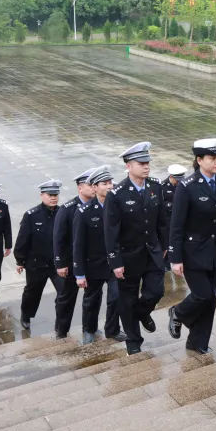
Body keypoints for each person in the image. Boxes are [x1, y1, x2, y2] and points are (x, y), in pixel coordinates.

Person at [167, 139, 216, 354]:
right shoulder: (187, 187)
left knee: (211, 300)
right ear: (199, 160)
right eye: (212, 158)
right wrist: (175, 258)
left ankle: (197, 342)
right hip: (192, 251)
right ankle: (178, 312)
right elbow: (177, 225)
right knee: (202, 295)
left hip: (215, 249)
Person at [105, 142, 169, 355]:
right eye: (141, 163)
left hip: (152, 252)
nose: (146, 167)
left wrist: (164, 245)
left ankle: (142, 313)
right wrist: (115, 261)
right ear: (128, 166)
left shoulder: (154, 187)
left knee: (156, 291)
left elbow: (162, 220)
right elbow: (111, 231)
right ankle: (133, 340)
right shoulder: (117, 194)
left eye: (147, 162)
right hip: (128, 256)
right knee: (127, 299)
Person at [72, 166, 117, 344]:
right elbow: (78, 244)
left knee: (116, 297)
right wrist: (79, 273)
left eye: (110, 183)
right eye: (104, 184)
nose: (109, 187)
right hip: (93, 264)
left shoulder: (117, 206)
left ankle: (112, 330)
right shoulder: (84, 212)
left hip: (115, 263)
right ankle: (89, 330)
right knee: (92, 299)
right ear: (95, 187)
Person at [14, 179, 62, 330]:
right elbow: (23, 239)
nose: (53, 198)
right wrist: (20, 260)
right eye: (50, 195)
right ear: (42, 196)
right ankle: (26, 314)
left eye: (56, 195)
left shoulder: (63, 213)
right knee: (32, 293)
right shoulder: (31, 215)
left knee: (64, 293)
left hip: (56, 264)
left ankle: (61, 320)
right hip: (36, 263)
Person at [53, 168, 96, 339]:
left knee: (93, 297)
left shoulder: (99, 206)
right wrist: (60, 263)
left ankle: (89, 329)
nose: (93, 188)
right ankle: (62, 329)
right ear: (80, 188)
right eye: (89, 185)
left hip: (93, 262)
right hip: (71, 262)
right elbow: (59, 238)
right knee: (67, 298)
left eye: (94, 184)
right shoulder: (68, 209)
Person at [161, 165, 186, 273]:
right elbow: (159, 203)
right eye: (177, 179)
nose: (178, 181)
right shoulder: (162, 186)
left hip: (179, 218)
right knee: (167, 241)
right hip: (167, 219)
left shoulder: (183, 185)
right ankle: (166, 263)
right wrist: (172, 206)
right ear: (171, 176)